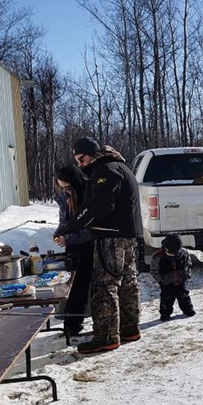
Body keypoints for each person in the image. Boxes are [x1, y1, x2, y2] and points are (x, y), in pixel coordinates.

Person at [64, 137, 143, 354]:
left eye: (82, 159)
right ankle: (129, 328)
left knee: (104, 285)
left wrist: (70, 226)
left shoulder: (105, 170)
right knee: (127, 281)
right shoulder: (117, 167)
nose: (80, 164)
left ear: (93, 153)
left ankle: (107, 337)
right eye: (77, 161)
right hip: (127, 235)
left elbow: (99, 205)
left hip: (111, 236)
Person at [51, 164, 93, 340]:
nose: (65, 191)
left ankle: (74, 325)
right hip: (73, 248)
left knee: (81, 287)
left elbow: (90, 229)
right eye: (62, 188)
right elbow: (64, 221)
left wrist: (69, 238)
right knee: (72, 286)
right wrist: (59, 233)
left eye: (68, 188)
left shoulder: (87, 196)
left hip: (88, 246)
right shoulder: (64, 198)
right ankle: (70, 324)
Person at [150, 234, 195, 321]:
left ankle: (188, 309)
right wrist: (161, 280)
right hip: (166, 282)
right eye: (170, 253)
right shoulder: (158, 257)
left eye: (175, 253)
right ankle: (165, 313)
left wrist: (186, 274)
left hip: (180, 280)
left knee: (184, 296)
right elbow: (154, 271)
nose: (172, 255)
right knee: (166, 298)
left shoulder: (183, 253)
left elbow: (188, 264)